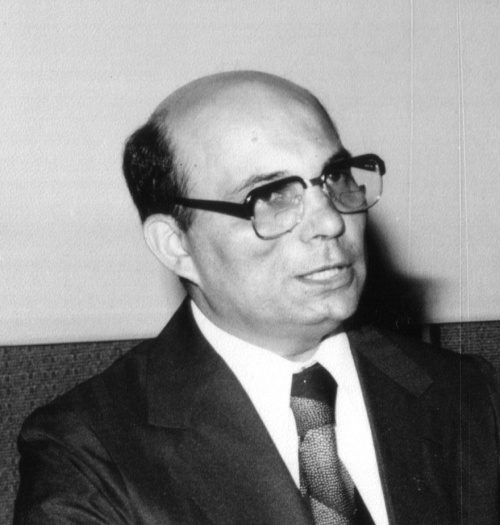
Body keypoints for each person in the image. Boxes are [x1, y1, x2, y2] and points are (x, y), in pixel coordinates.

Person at [14, 71, 500, 525]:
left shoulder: (472, 394)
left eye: (335, 177)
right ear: (177, 245)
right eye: (270, 196)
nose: (331, 222)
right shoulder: (86, 453)